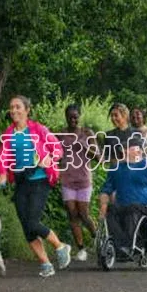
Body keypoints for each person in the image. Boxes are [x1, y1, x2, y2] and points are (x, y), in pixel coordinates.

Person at [0, 96, 71, 277]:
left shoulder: (39, 129)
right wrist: (3, 173)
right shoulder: (8, 133)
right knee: (26, 226)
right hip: (21, 182)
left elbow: (58, 149)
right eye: (11, 107)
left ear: (27, 110)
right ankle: (45, 264)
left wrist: (50, 158)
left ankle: (60, 246)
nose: (14, 110)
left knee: (32, 222)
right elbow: (3, 156)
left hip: (39, 179)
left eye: (18, 107)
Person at [98, 138, 147, 258]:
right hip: (123, 206)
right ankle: (121, 247)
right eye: (123, 148)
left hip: (146, 207)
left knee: (132, 208)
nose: (123, 150)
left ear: (139, 151)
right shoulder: (116, 168)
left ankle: (129, 246)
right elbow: (106, 190)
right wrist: (104, 205)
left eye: (127, 148)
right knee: (111, 209)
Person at [58, 103, 97, 261]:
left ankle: (97, 237)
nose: (73, 120)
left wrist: (84, 147)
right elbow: (54, 153)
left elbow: (98, 157)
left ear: (79, 116)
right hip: (67, 179)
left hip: (83, 180)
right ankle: (81, 249)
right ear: (66, 117)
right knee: (72, 214)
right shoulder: (61, 134)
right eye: (70, 117)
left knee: (84, 214)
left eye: (75, 117)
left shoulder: (87, 133)